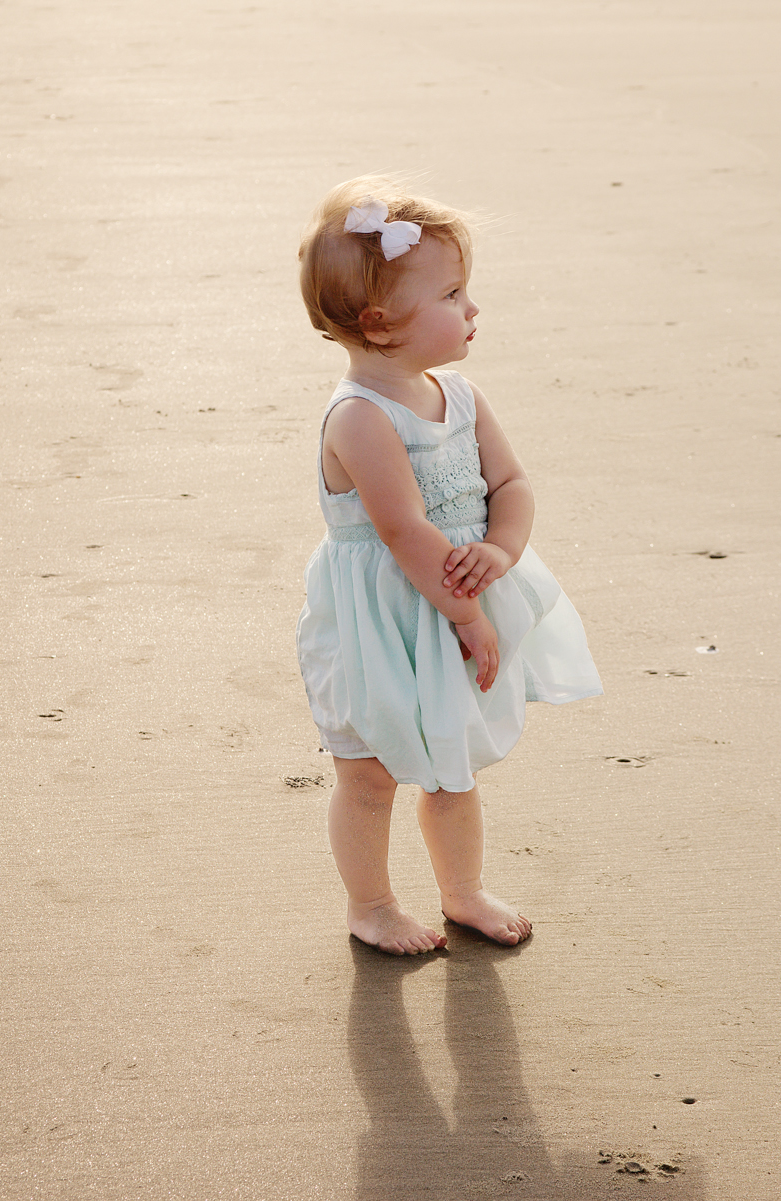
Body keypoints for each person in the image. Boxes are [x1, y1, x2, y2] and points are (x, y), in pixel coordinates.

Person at [295, 176, 602, 954]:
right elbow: (401, 529)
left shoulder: (460, 396)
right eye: (453, 294)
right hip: (384, 620)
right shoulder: (361, 417)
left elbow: (512, 484)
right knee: (368, 773)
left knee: (452, 766)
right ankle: (371, 904)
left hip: (456, 605)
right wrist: (467, 614)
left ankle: (461, 891)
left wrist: (500, 551)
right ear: (381, 322)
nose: (472, 310)